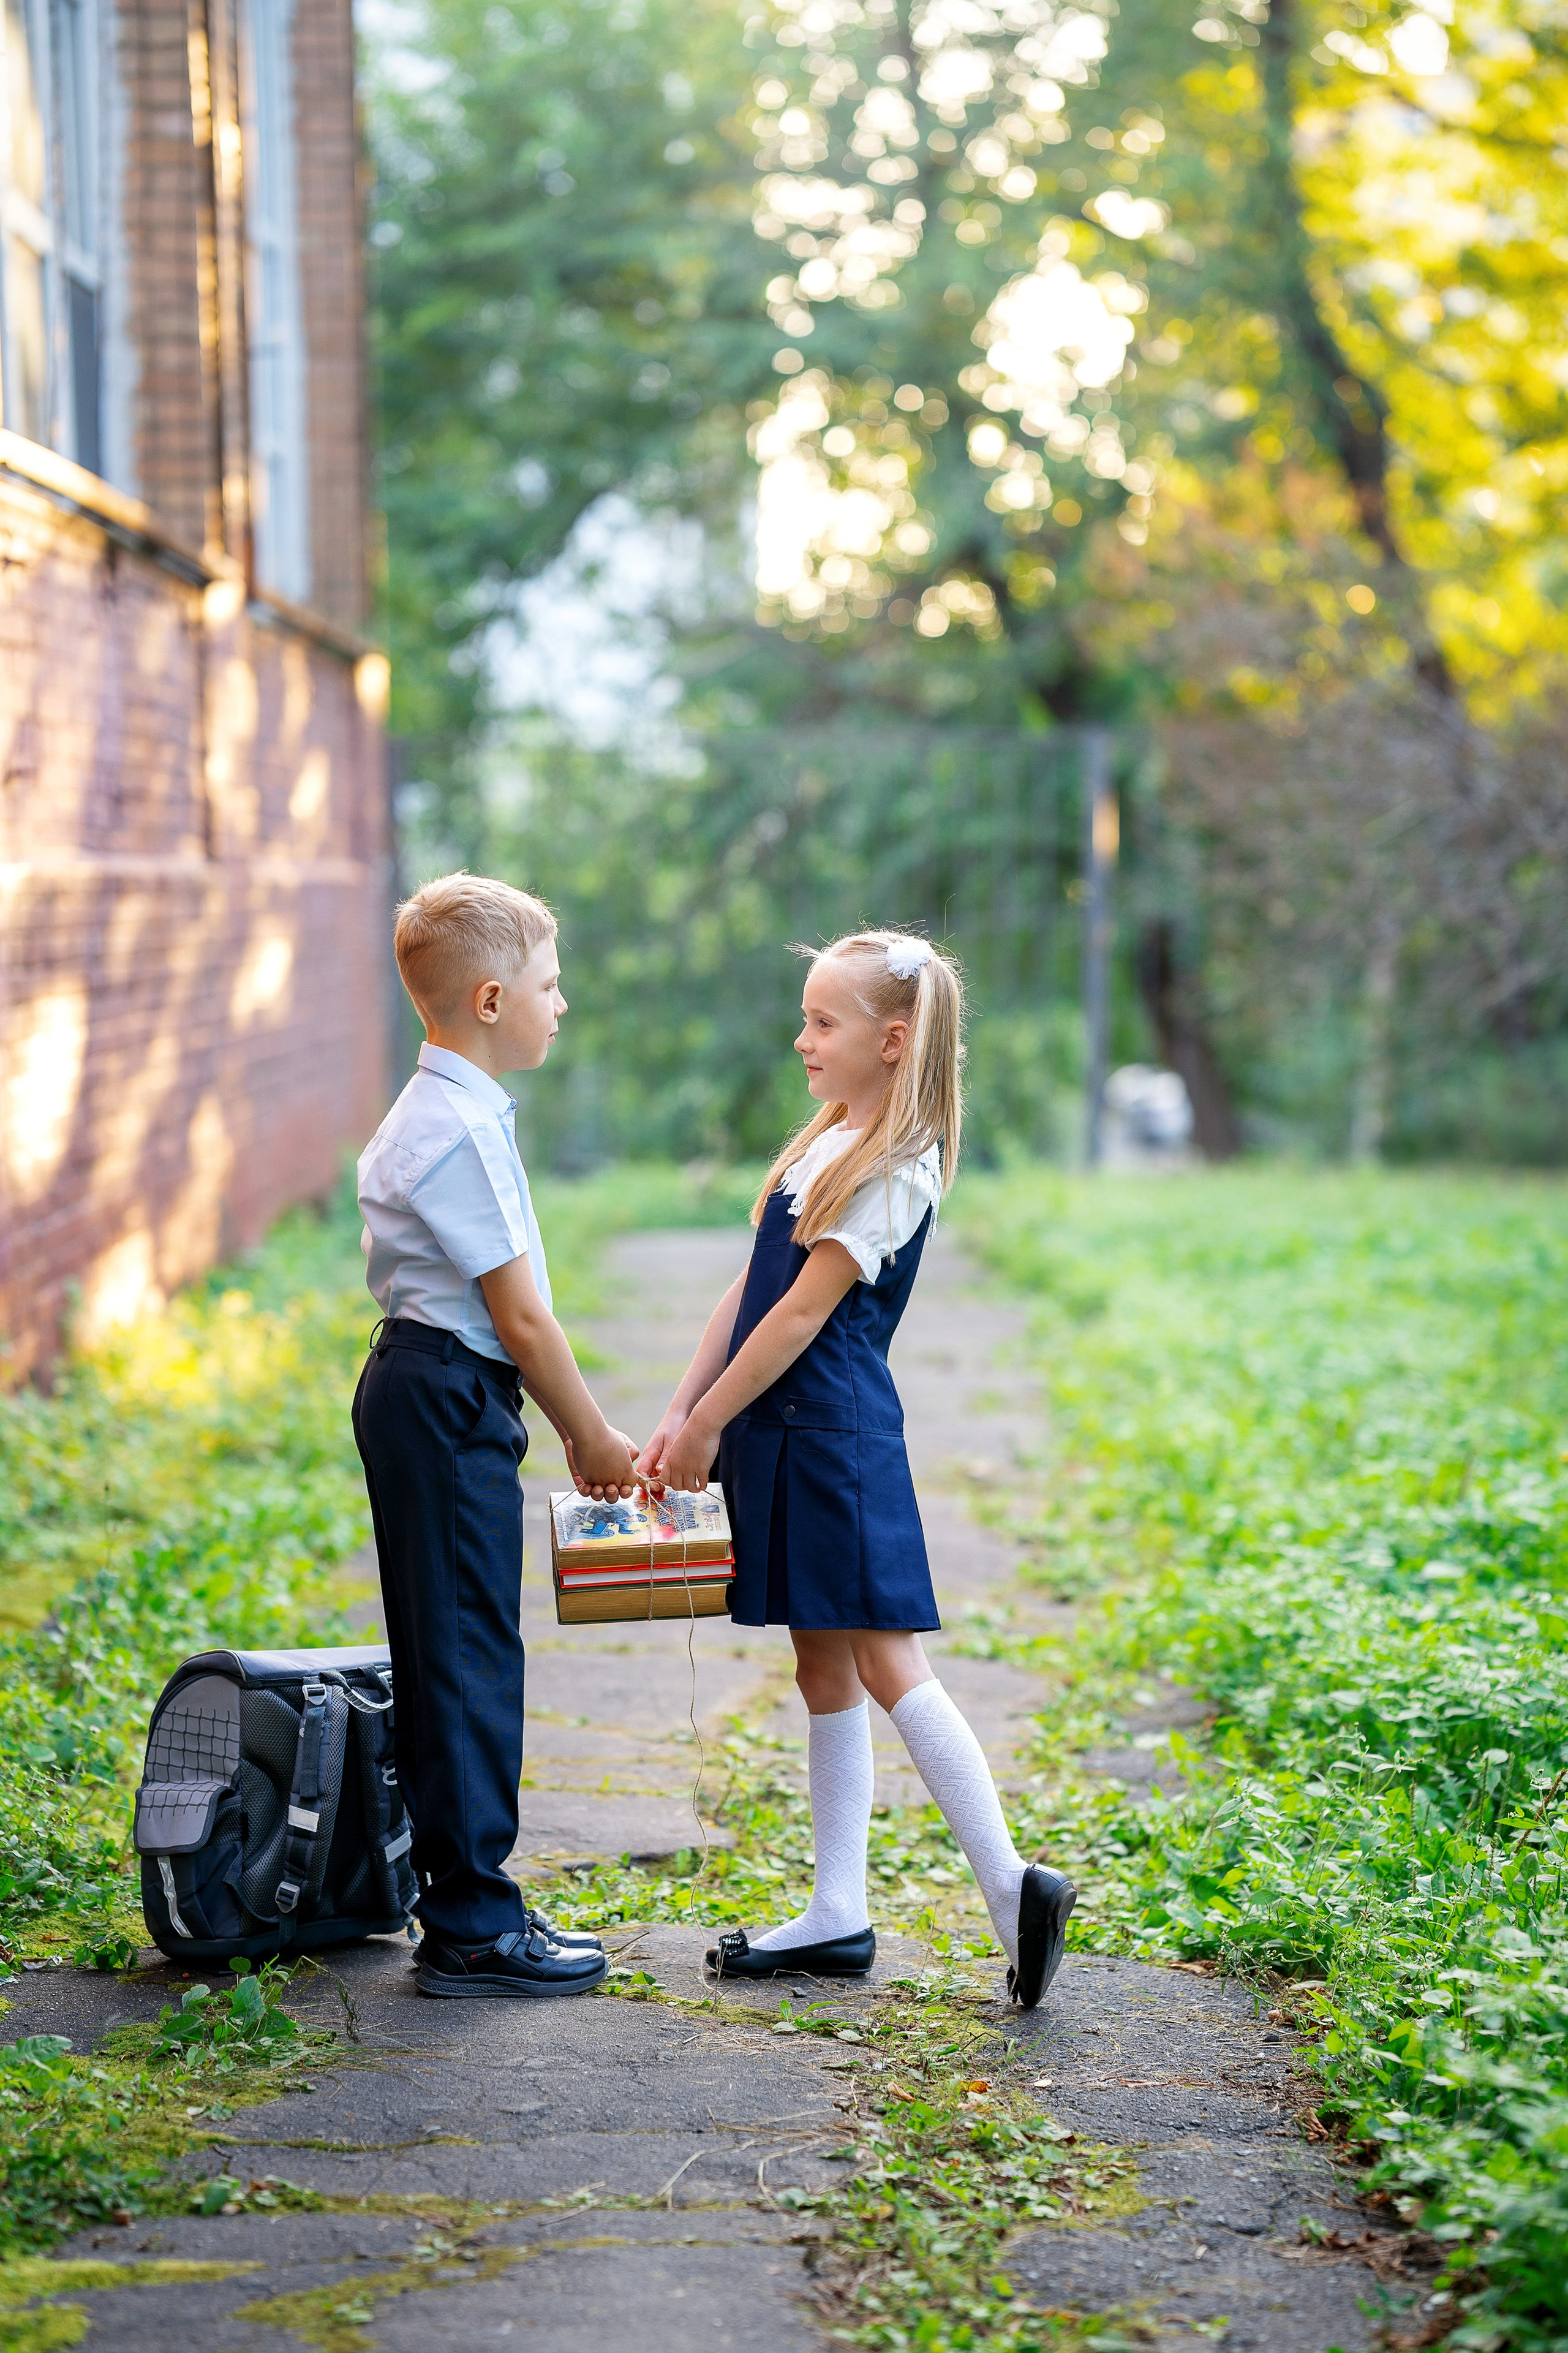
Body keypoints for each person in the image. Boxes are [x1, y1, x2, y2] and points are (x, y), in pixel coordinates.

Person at [636, 930, 1076, 2007]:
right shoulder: (827, 1139)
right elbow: (744, 1296)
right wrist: (684, 1410)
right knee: (822, 1667)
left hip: (833, 1441)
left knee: (886, 1661)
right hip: (781, 1437)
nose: (801, 1040)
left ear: (893, 1040)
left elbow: (798, 1318)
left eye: (822, 1023)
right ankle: (839, 1914)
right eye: (803, 1018)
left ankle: (1009, 1882)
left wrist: (707, 1428)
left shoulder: (899, 1166)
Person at [354, 873, 640, 1999]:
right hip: (444, 1395)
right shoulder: (454, 1131)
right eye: (548, 984)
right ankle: (471, 1927)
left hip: (438, 1392)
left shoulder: (448, 1112)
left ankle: (469, 1899)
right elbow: (521, 1315)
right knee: (466, 1655)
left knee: (462, 1645)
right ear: (487, 998)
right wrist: (595, 1436)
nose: (559, 1004)